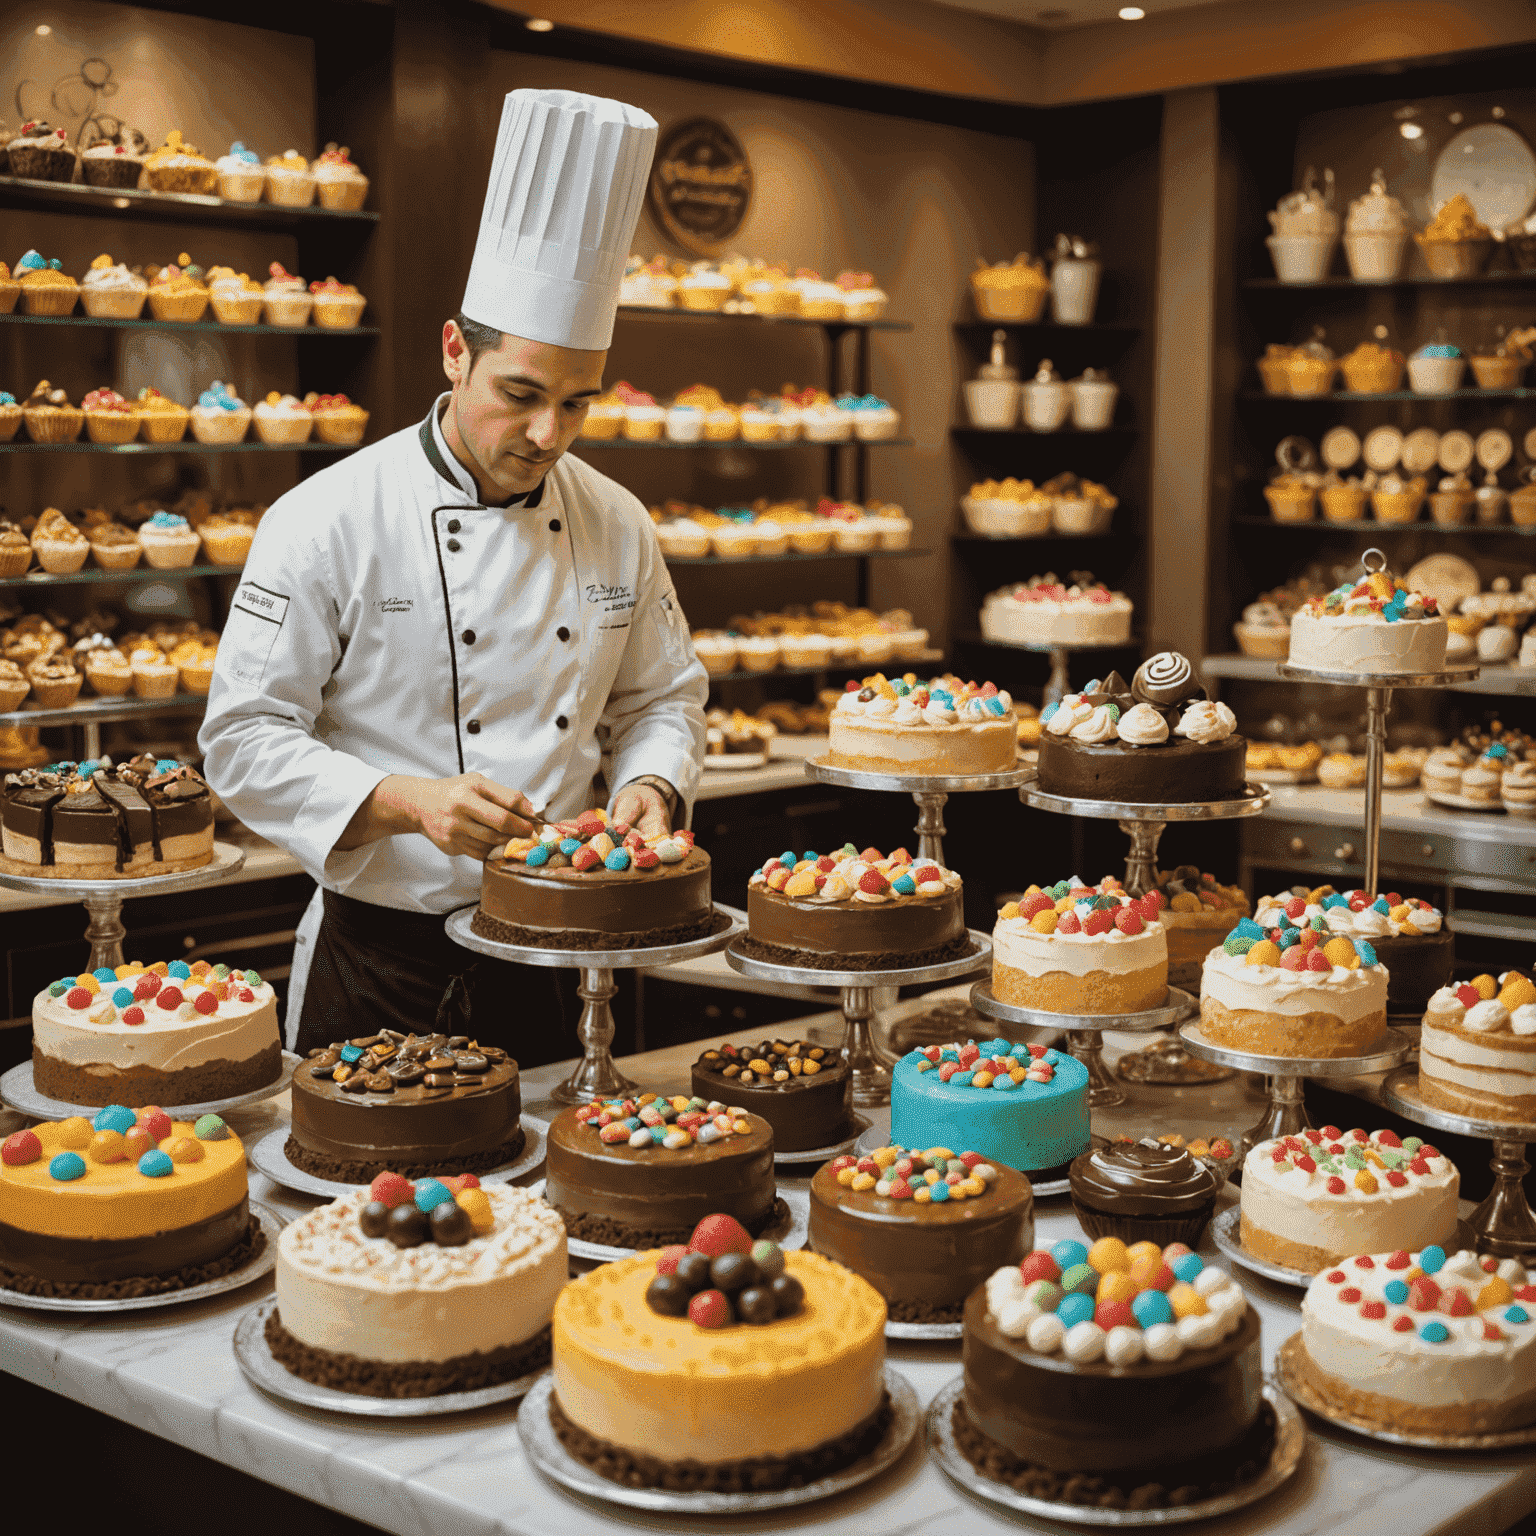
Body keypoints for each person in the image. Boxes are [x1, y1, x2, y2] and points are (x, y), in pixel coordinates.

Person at [200, 89, 706, 1060]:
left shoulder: (616, 520)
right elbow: (241, 740)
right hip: (377, 966)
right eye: (519, 395)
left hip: (560, 961)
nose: (547, 435)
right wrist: (408, 800)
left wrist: (652, 782)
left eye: (577, 404)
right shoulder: (326, 519)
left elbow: (664, 697)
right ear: (453, 353)